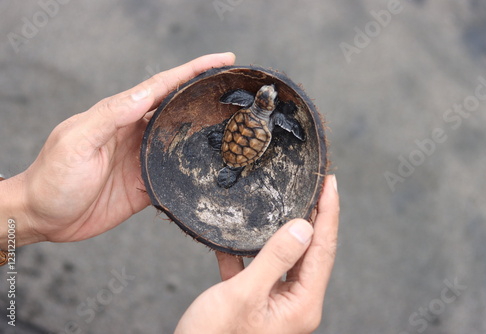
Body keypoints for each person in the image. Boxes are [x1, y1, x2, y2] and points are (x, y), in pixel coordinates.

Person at [0, 52, 339, 333]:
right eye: (267, 96)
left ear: (260, 102)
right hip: (248, 138)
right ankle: (231, 165)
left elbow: (241, 103)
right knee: (232, 151)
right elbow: (280, 123)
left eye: (267, 96)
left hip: (241, 134)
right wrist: (26, 211)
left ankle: (230, 165)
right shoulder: (269, 118)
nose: (267, 96)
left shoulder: (250, 107)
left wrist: (26, 210)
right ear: (266, 105)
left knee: (229, 146)